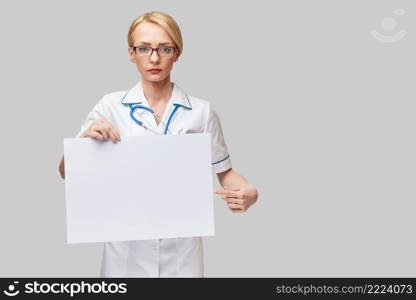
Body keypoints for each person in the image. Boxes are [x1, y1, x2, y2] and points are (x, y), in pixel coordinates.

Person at [58, 11, 258, 277]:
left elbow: (225, 173)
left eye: (164, 48)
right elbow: (66, 172)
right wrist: (83, 142)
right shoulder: (110, 107)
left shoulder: (201, 111)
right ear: (131, 53)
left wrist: (248, 192)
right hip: (125, 252)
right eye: (144, 48)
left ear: (177, 53)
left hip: (182, 252)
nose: (154, 58)